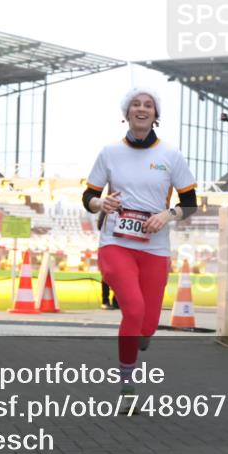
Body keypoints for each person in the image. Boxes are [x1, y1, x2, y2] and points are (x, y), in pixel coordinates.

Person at [82, 87, 197, 404]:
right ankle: (127, 386)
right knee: (132, 310)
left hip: (155, 248)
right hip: (116, 243)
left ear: (155, 115)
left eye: (148, 105)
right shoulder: (109, 152)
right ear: (127, 113)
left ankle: (141, 337)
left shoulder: (170, 155)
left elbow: (190, 203)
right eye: (136, 104)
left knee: (147, 324)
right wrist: (100, 203)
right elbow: (87, 196)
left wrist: (167, 215)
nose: (142, 109)